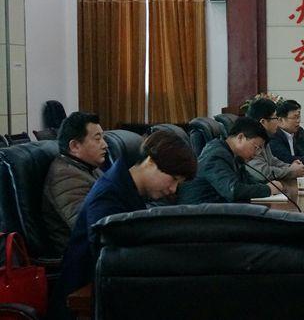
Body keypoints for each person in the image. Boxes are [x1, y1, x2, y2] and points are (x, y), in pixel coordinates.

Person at [56, 130, 196, 317]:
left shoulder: (127, 186)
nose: (173, 189)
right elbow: (110, 255)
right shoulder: (109, 195)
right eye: (173, 179)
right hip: (84, 297)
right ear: (150, 162)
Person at [41, 111, 107, 255]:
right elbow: (89, 227)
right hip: (81, 258)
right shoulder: (64, 177)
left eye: (103, 138)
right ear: (75, 146)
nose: (105, 145)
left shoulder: (88, 167)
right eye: (98, 139)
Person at [178, 117, 279, 204]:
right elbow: (233, 191)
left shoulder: (234, 156)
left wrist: (270, 186)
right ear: (240, 138)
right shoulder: (216, 155)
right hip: (198, 213)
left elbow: (248, 182)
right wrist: (268, 189)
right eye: (256, 147)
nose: (257, 153)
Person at [245, 98, 304, 180]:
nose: (278, 122)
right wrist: (290, 171)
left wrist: (291, 166)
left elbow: (273, 161)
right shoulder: (251, 141)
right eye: (275, 118)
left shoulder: (264, 138)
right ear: (263, 122)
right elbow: (263, 172)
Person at [269, 99, 304, 167]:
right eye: (295, 117)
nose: (298, 121)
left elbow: (303, 153)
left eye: (299, 117)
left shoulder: (297, 132)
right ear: (280, 120)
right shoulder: (273, 135)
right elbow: (286, 160)